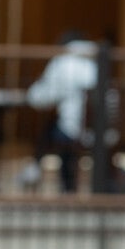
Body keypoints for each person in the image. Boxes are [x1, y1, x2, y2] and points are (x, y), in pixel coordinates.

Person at [18, 30, 99, 193]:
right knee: (53, 126)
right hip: (100, 129)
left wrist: (29, 95)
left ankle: (39, 172)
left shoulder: (63, 62)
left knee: (51, 131)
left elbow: (42, 97)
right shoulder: (95, 63)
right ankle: (36, 170)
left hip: (75, 130)